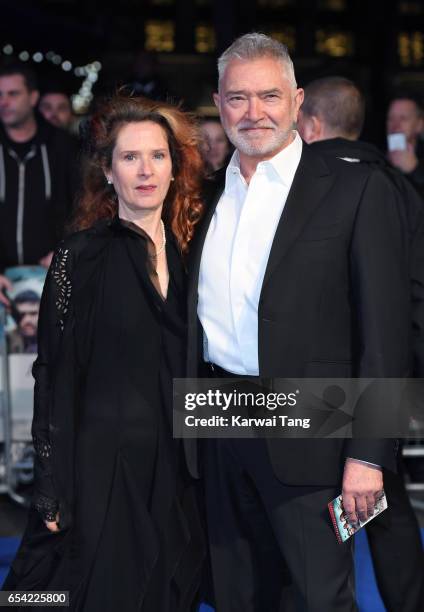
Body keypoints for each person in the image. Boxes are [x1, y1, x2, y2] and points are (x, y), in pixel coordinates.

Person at [186, 33, 410, 611]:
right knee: (236, 595)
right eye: (237, 98)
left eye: (268, 96)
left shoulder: (357, 190)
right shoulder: (205, 196)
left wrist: (369, 455)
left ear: (296, 100)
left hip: (316, 426)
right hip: (217, 419)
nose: (253, 112)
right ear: (218, 101)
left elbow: (385, 333)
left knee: (321, 597)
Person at [3, 93, 205, 611]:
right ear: (108, 171)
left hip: (179, 470)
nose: (145, 170)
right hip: (102, 469)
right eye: (129, 158)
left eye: (157, 156)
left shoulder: (196, 254)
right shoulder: (79, 257)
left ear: (174, 168)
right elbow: (52, 374)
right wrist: (49, 484)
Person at [297, 75, 424, 612]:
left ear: (312, 123)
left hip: (326, 380)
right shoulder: (399, 185)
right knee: (384, 503)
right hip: (392, 372)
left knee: (326, 510)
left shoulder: (313, 183)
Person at [0, 62, 79, 306]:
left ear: (33, 98)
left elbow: (82, 205)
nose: (4, 102)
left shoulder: (62, 146)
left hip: (51, 276)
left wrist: (65, 253)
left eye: (13, 94)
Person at [386, 94, 424, 198]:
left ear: (419, 125)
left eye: (403, 118)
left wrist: (415, 169)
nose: (395, 125)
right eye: (391, 118)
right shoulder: (374, 158)